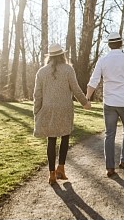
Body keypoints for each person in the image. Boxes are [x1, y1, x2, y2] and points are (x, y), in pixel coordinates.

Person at [86, 32, 124, 177]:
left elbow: (93, 81)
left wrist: (87, 98)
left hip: (109, 103)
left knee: (109, 134)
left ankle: (110, 168)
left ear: (109, 45)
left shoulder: (103, 61)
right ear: (121, 43)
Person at [33, 43, 91, 185]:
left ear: (50, 57)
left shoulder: (41, 72)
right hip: (65, 109)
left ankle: (52, 174)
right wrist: (85, 103)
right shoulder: (68, 70)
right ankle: (61, 169)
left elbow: (37, 95)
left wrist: (36, 111)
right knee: (65, 137)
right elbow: (76, 89)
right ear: (62, 55)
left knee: (51, 140)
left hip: (48, 109)